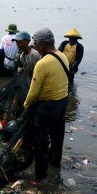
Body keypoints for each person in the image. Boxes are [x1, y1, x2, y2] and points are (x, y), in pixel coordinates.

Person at [23, 27, 69, 180]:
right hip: (62, 103)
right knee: (57, 137)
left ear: (42, 44)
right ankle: (55, 164)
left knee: (41, 141)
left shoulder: (42, 64)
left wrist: (26, 105)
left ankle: (40, 176)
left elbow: (34, 91)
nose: (36, 48)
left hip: (46, 107)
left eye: (36, 45)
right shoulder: (62, 56)